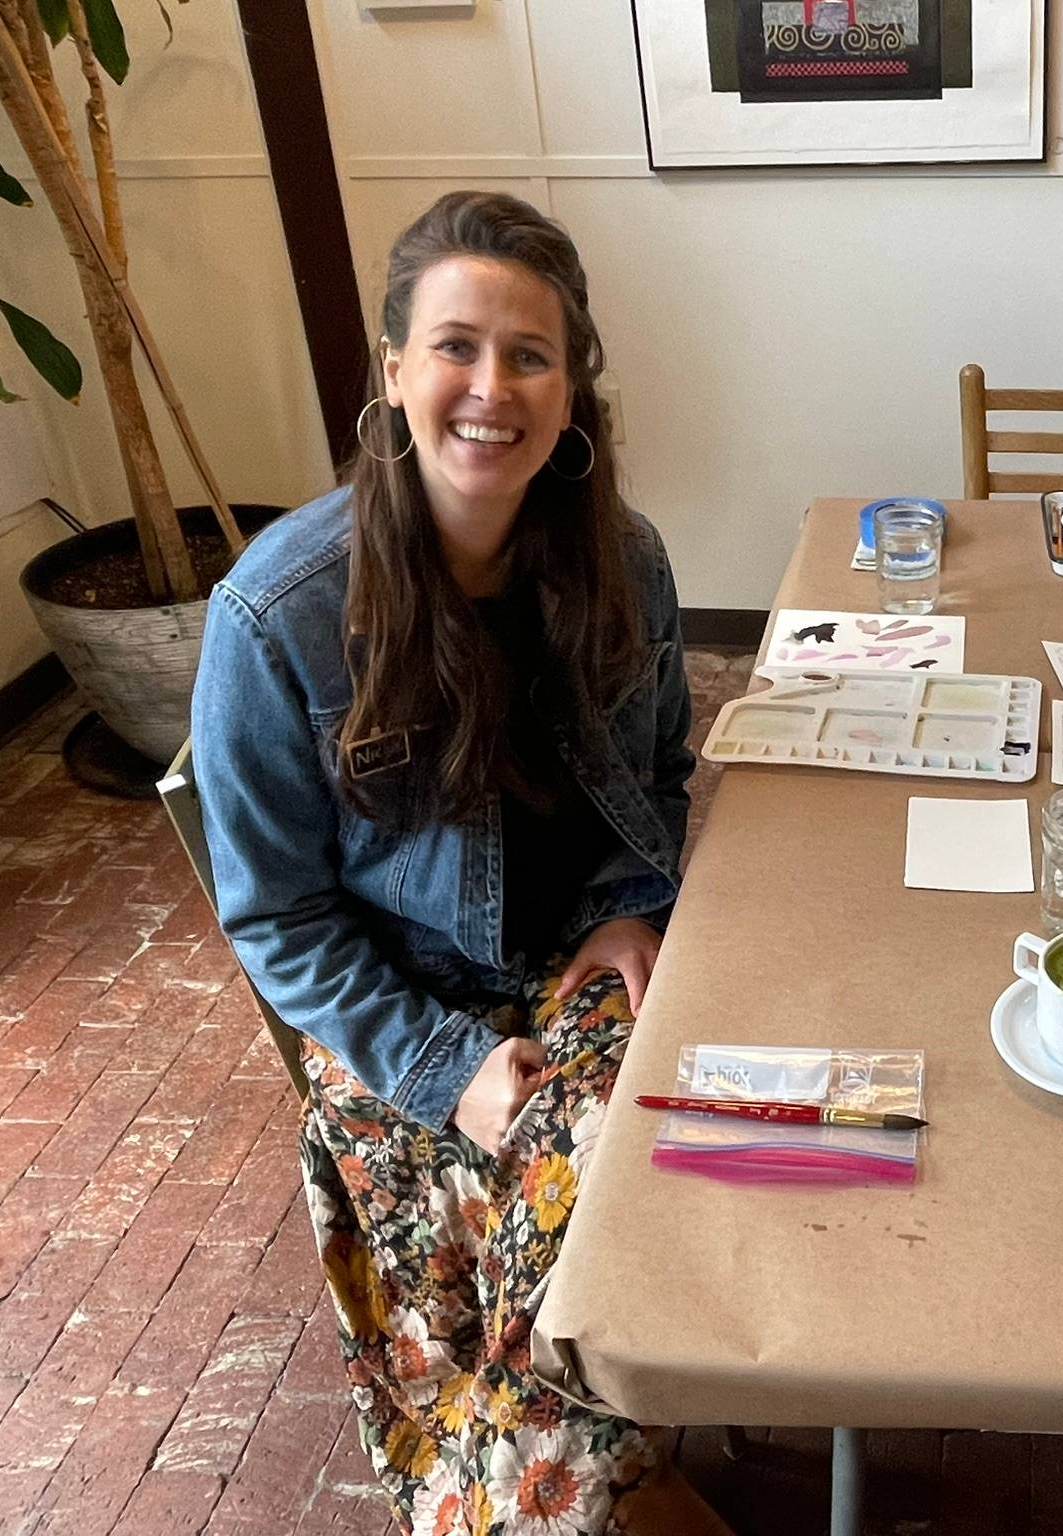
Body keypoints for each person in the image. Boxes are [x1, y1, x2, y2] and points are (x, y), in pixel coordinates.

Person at [192, 191, 729, 1535]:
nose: (492, 388)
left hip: (571, 966)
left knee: (660, 1148)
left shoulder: (626, 562)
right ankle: (571, 1496)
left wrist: (631, 906)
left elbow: (658, 773)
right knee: (590, 1182)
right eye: (456, 347)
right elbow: (276, 916)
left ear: (571, 391)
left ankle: (539, 1492)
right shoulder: (278, 612)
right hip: (396, 1011)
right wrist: (443, 1067)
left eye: (530, 356)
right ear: (393, 373)